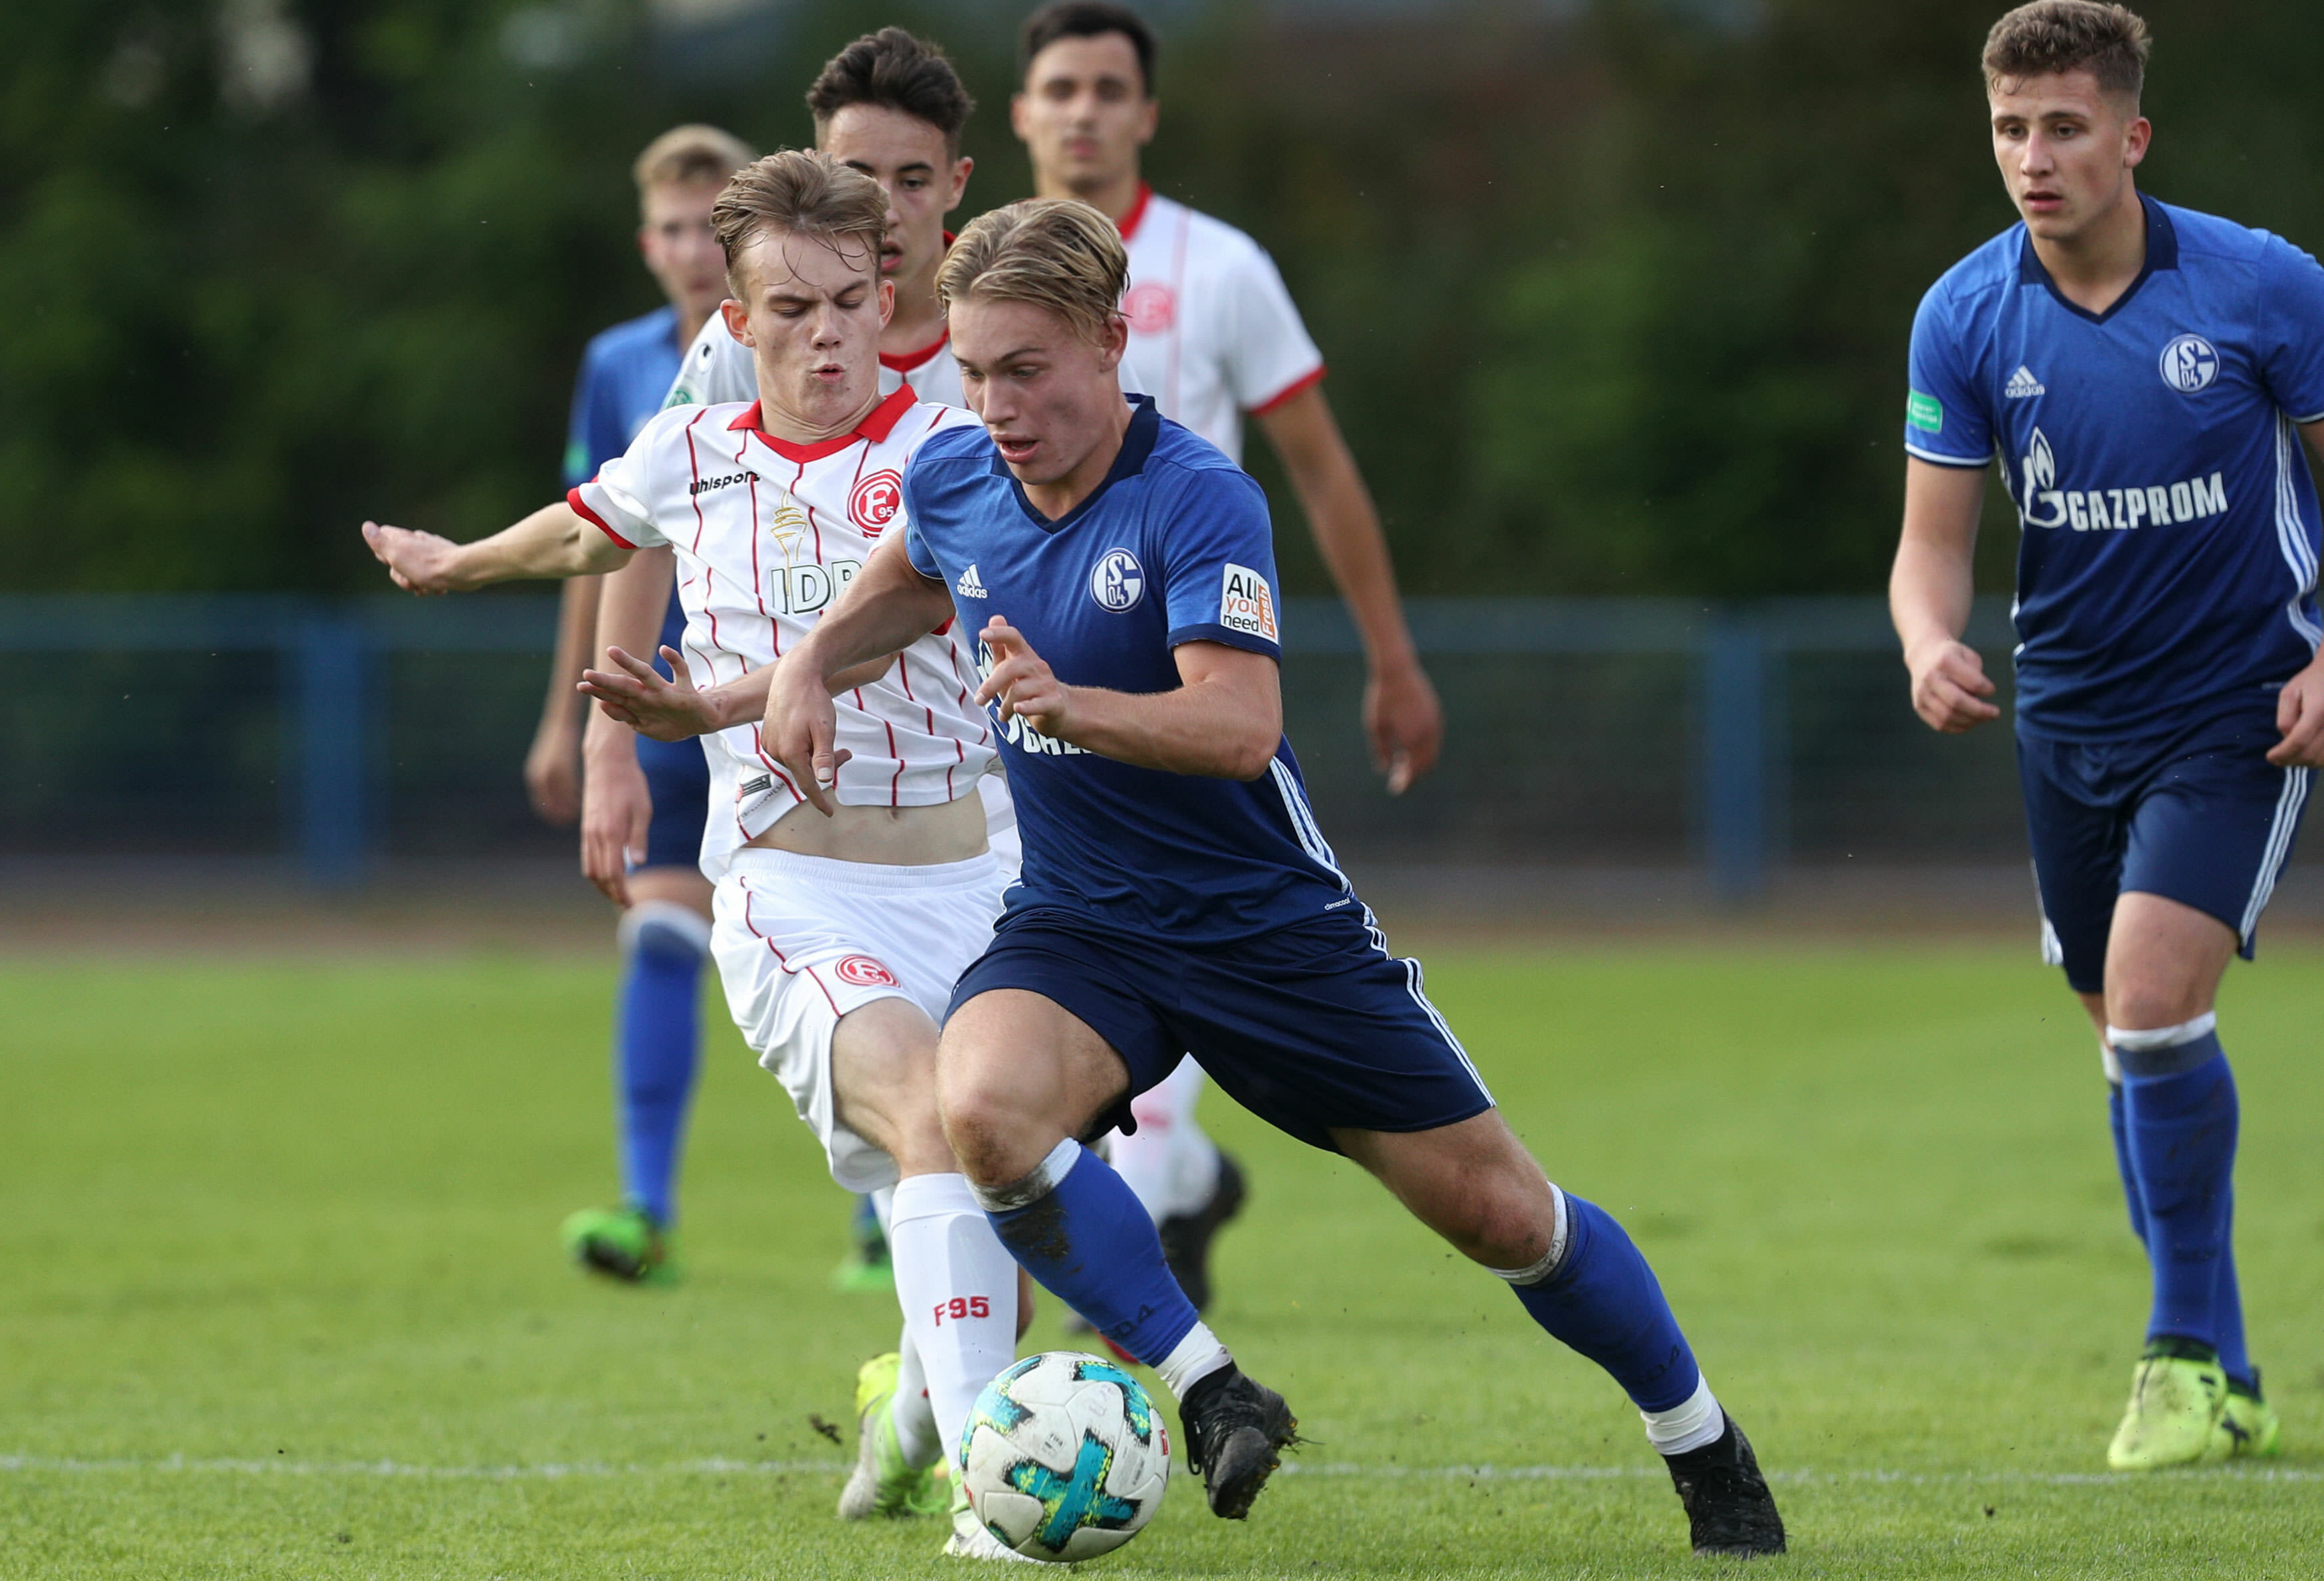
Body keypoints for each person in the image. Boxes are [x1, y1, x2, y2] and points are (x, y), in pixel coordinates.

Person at [761, 197, 1785, 1555]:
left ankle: (1701, 1440)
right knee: (983, 1114)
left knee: (1500, 1216)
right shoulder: (956, 476)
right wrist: (797, 667)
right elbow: (899, 588)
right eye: (968, 369)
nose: (992, 402)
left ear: (1108, 345)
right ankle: (1210, 1389)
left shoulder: (1195, 497)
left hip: (1264, 928)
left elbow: (1236, 730)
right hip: (1080, 924)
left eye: (1024, 369)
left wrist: (1072, 709)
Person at [365, 151, 1028, 1560]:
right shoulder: (694, 447)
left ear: (886, 290)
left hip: (976, 883)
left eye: (850, 300)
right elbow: (587, 525)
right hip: (792, 883)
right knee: (927, 1117)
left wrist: (712, 700)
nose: (826, 333)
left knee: (993, 1174)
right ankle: (995, 1490)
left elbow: (908, 612)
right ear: (736, 316)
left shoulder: (947, 451)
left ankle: (913, 1426)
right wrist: (454, 562)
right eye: (789, 308)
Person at [1891, 0, 2318, 1470]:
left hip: (2235, 712)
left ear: (2130, 136)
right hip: (2063, 726)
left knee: (2146, 1002)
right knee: (2132, 1054)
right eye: (2010, 129)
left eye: (2064, 127)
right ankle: (2240, 1369)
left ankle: (2180, 1364)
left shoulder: (2262, 289)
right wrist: (1925, 638)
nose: (2033, 157)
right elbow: (1928, 545)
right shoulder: (1963, 313)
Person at [1008, 0, 1448, 1310]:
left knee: (1131, 1075)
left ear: (1145, 114)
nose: (1081, 111)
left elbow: (1319, 469)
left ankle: (1146, 1312)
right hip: (1008, 724)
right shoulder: (970, 285)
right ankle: (1146, 1220)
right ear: (1021, 115)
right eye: (1057, 89)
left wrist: (1391, 657)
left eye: (1105, 88)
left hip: (1175, 716)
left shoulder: (1220, 267)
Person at [639, 29, 982, 1295]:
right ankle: (970, 1417)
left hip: (988, 790)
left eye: (905, 178)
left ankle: (924, 1405)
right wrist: (604, 741)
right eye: (852, 172)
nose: (878, 208)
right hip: (802, 817)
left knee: (1005, 1134)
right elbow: (642, 504)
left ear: (953, 184)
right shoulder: (744, 339)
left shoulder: (1002, 345)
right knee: (928, 1115)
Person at [528, 124, 754, 1287]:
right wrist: (577, 718)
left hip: (773, 697)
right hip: (656, 693)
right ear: (646, 240)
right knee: (660, 934)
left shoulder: (806, 341)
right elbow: (599, 536)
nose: (691, 250)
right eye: (671, 227)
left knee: (841, 947)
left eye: (710, 226)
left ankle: (885, 1220)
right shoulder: (618, 363)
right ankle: (646, 1206)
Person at [662, 28, 978, 411]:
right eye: (858, 177)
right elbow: (667, 463)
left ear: (955, 183)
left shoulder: (1004, 323)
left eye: (912, 182)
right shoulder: (745, 338)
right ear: (818, 168)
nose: (886, 210)